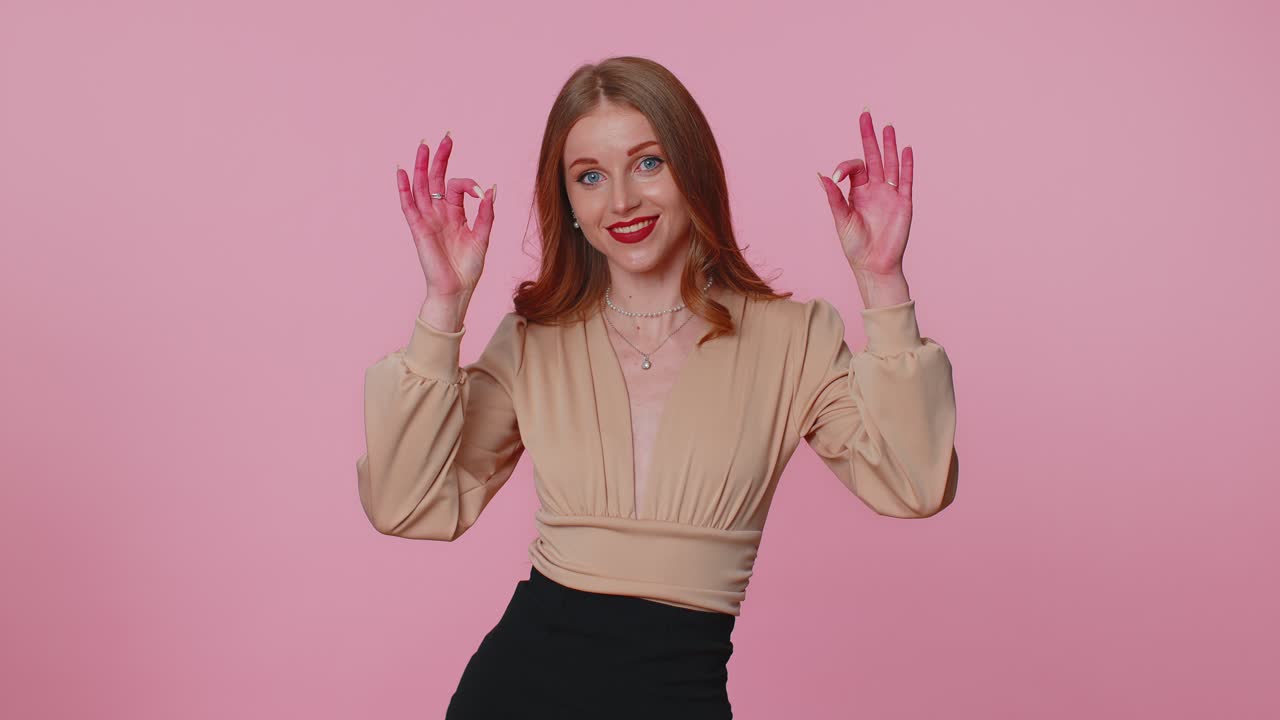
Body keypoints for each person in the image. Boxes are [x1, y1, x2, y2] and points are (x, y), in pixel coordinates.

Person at [356, 56, 958, 719]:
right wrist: (443, 306)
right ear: (571, 205)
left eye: (648, 163)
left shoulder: (794, 338)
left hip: (679, 693)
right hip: (515, 691)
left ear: (692, 170)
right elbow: (406, 504)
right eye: (590, 176)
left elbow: (912, 484)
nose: (621, 201)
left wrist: (882, 284)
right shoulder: (534, 340)